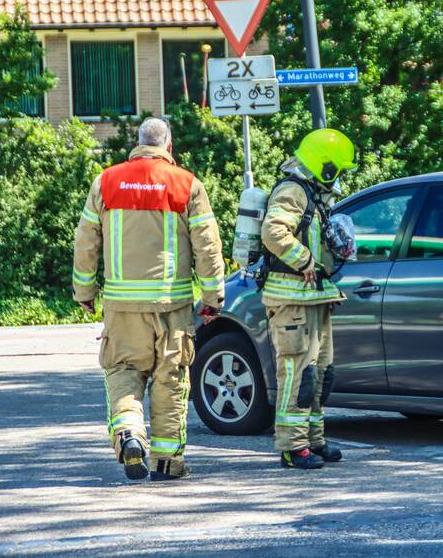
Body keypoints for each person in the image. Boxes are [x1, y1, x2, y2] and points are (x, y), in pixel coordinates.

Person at [73, 117, 225, 482]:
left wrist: (85, 292)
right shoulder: (187, 184)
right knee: (170, 382)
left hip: (122, 308)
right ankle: (167, 463)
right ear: (168, 146)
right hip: (171, 307)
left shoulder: (106, 182)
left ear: (138, 143)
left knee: (124, 375)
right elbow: (207, 245)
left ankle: (128, 434)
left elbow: (86, 242)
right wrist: (212, 296)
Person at [260, 129, 357, 469]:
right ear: (324, 166)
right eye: (338, 169)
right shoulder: (292, 191)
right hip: (291, 299)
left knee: (320, 374)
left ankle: (313, 440)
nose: (340, 176)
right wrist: (305, 261)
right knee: (298, 376)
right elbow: (273, 232)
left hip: (314, 298)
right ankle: (292, 446)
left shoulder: (313, 194)